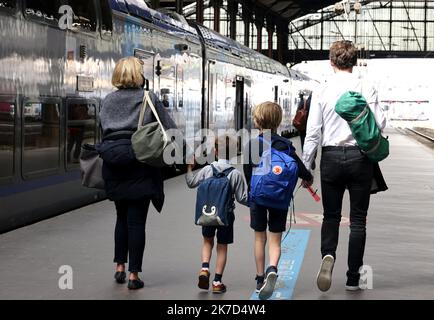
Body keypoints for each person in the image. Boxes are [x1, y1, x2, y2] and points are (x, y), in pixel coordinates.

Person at [301, 40, 386, 292]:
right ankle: (352, 278)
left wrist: (307, 168)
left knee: (331, 216)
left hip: (331, 158)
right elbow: (381, 124)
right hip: (360, 159)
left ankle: (328, 255)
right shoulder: (366, 87)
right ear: (355, 61)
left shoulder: (322, 90)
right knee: (358, 220)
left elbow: (313, 133)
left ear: (331, 62)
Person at [99, 56, 176, 290]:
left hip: (113, 164)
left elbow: (102, 129)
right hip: (140, 164)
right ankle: (134, 275)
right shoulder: (148, 98)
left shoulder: (107, 100)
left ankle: (119, 267)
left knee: (120, 217)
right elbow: (170, 128)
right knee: (136, 222)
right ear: (138, 75)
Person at [243, 102, 313, 300]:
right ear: (278, 121)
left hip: (258, 197)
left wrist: (252, 192)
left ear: (257, 121)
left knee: (259, 237)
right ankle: (272, 268)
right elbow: (301, 170)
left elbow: (247, 173)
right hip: (280, 197)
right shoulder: (286, 145)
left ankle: (259, 278)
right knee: (275, 239)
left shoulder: (253, 144)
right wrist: (308, 178)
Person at [186, 135, 248, 294]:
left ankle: (204, 268)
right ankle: (217, 282)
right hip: (225, 217)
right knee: (222, 247)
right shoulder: (235, 174)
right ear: (235, 153)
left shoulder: (207, 169)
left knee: (207, 241)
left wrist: (189, 168)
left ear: (215, 151)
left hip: (206, 215)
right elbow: (242, 199)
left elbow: (191, 183)